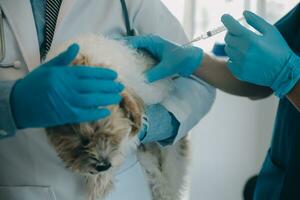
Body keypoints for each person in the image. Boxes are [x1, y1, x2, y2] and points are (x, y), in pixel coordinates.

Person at [0, 0, 215, 199]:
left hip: (120, 189)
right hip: (16, 186)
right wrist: (11, 102)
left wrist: (137, 125)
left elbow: (198, 81)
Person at [127, 4, 300, 200]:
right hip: (279, 180)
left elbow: (279, 72)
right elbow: (260, 83)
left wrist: (290, 77)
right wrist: (198, 61)